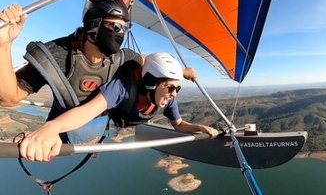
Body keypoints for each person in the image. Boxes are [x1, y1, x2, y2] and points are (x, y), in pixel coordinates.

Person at [0, 0, 196, 144]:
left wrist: (182, 73)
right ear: (94, 25)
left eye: (124, 29)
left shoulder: (123, 57)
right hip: (62, 132)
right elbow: (10, 97)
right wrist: (4, 44)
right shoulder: (57, 55)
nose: (120, 34)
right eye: (115, 27)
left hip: (95, 130)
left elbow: (149, 60)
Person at [19, 52, 219, 161]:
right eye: (169, 87)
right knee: (73, 133)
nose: (173, 94)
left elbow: (179, 124)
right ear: (151, 82)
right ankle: (28, 138)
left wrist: (197, 128)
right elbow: (87, 110)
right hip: (107, 115)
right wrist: (51, 127)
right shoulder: (122, 87)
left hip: (124, 117)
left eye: (177, 88)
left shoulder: (168, 99)